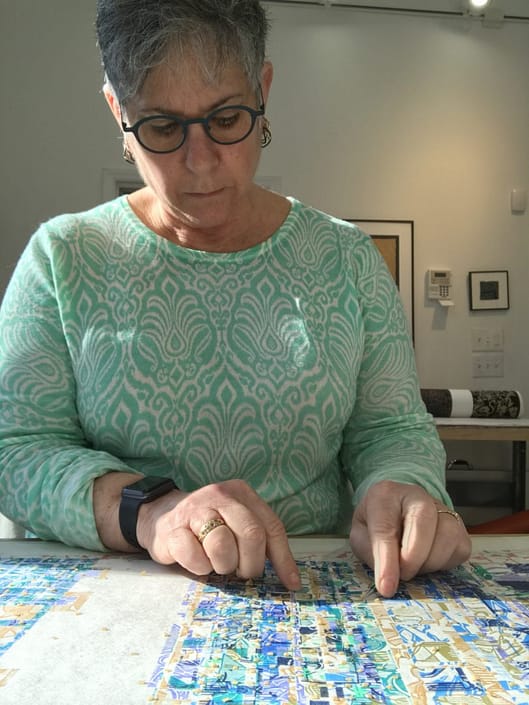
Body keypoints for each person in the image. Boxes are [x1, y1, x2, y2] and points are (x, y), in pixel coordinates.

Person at [0, 0, 470, 598]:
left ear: (263, 90)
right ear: (118, 111)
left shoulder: (345, 260)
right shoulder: (63, 258)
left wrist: (401, 485)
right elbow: (16, 451)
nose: (200, 162)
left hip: (319, 597)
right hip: (121, 594)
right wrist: (150, 511)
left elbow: (391, 430)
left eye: (226, 119)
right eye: (163, 127)